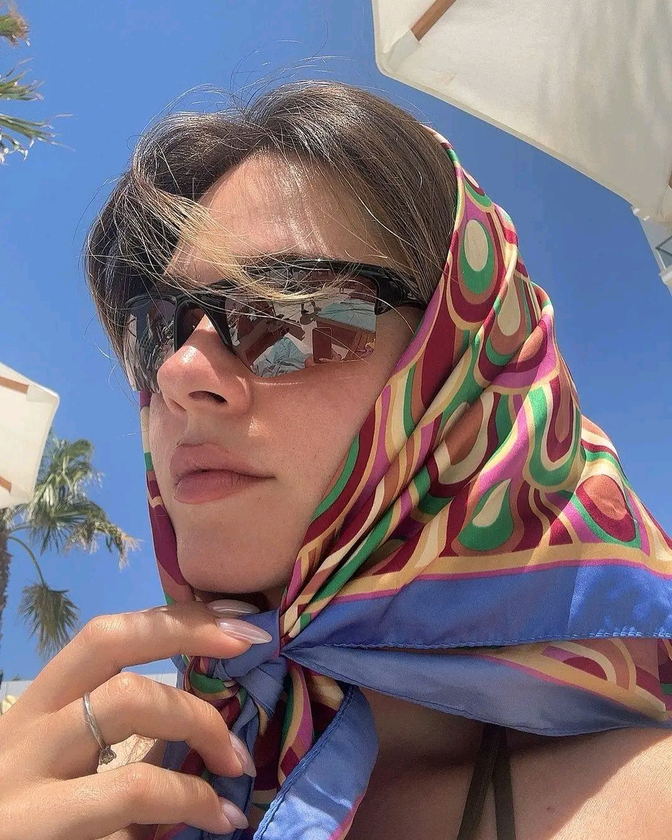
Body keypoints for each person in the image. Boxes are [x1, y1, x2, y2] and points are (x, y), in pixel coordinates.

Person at [1, 81, 672, 840]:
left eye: (288, 314)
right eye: (157, 331)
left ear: (462, 373)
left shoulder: (642, 806)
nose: (179, 373)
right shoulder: (74, 791)